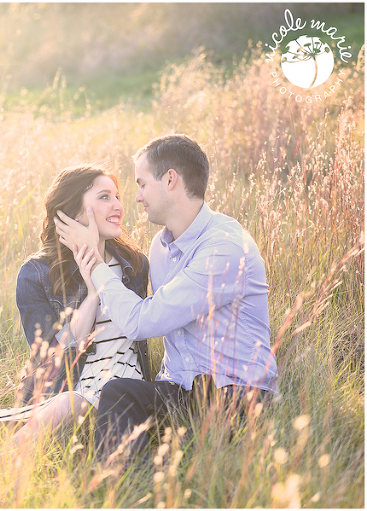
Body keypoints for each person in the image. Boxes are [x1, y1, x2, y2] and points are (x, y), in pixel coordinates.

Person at [54, 134, 279, 462]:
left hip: (236, 393)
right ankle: (128, 485)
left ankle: (162, 472)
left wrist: (94, 260)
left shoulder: (225, 248)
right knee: (116, 394)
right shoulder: (160, 248)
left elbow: (141, 321)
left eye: (142, 184)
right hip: (182, 391)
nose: (137, 197)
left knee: (192, 438)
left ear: (170, 179)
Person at [0, 164, 152, 462]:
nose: (118, 205)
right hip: (62, 393)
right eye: (105, 197)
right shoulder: (36, 274)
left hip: (114, 392)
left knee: (28, 437)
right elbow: (54, 354)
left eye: (117, 196)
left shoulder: (135, 264)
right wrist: (93, 293)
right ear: (73, 213)